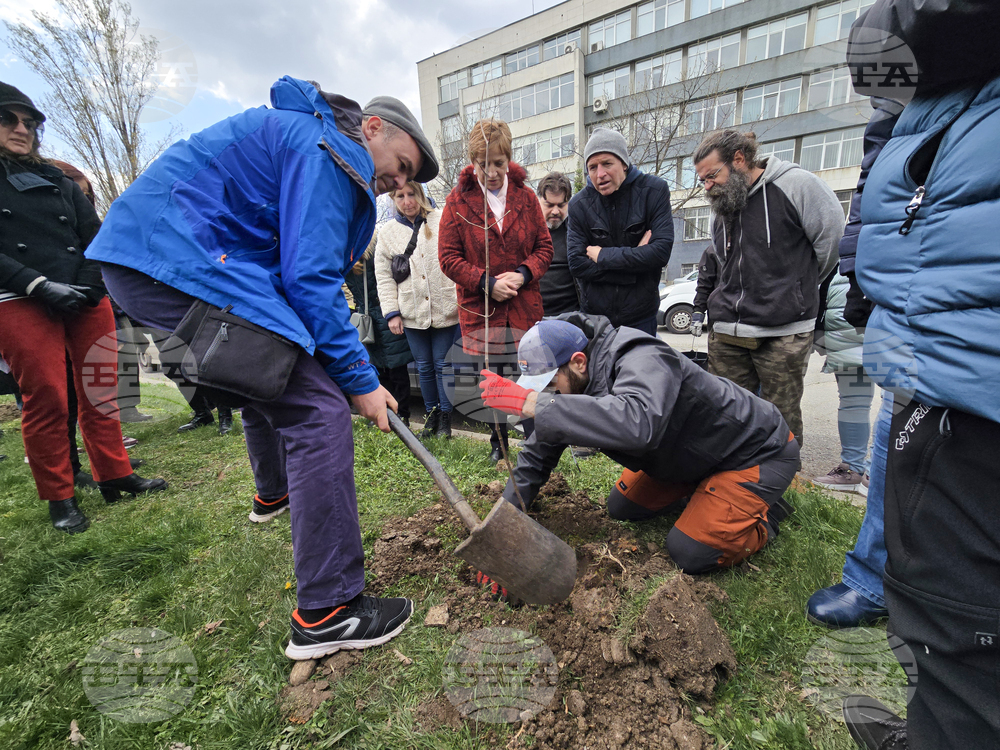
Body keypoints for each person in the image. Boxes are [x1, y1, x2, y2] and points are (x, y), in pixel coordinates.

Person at [85, 77, 438, 660]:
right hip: (172, 258)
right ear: (373, 127)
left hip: (158, 254)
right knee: (319, 411)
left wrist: (341, 366)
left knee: (278, 377)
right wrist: (361, 382)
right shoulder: (329, 153)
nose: (399, 183)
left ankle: (273, 494)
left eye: (409, 180)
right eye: (401, 166)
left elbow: (297, 280)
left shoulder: (317, 142)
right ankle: (328, 610)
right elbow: (310, 280)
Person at [836, 2, 1000, 749]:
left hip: (969, 365)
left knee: (960, 623)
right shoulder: (942, 110)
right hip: (939, 344)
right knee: (943, 609)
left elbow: (908, 22)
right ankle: (929, 723)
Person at [478, 315, 799, 579]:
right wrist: (505, 525)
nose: (550, 395)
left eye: (549, 385)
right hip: (692, 457)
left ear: (578, 362)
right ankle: (709, 494)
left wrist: (536, 404)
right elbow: (536, 456)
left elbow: (639, 425)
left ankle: (766, 516)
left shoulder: (640, 356)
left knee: (690, 552)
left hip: (753, 451)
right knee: (622, 507)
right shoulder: (576, 383)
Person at [0, 83, 167, 533]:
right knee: (48, 397)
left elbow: (94, 236)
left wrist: (92, 286)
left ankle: (114, 474)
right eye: (9, 119)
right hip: (17, 296)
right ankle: (60, 496)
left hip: (83, 293)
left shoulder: (57, 177)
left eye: (29, 122)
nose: (22, 129)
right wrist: (38, 285)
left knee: (101, 386)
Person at [693, 129, 843, 446]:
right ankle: (732, 486)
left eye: (712, 175)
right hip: (729, 330)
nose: (707, 186)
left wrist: (794, 290)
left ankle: (779, 487)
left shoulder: (797, 186)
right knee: (728, 417)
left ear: (739, 159)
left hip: (784, 330)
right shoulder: (721, 206)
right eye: (702, 180)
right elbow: (722, 259)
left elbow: (830, 246)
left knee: (780, 420)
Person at [438, 118, 552, 463]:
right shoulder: (458, 202)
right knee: (493, 375)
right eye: (482, 164)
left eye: (498, 164)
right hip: (481, 310)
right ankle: (498, 443)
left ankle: (538, 446)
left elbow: (545, 249)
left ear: (509, 159)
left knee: (530, 376)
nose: (490, 172)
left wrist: (522, 273)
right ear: (473, 161)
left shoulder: (527, 198)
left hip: (523, 307)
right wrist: (487, 283)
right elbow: (447, 258)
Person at [566, 128, 674, 335]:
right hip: (596, 320)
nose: (600, 174)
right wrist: (636, 263)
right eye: (592, 167)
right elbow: (577, 264)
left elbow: (660, 252)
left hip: (641, 318)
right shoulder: (579, 204)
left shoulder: (654, 191)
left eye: (607, 163)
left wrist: (603, 256)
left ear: (624, 163)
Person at [375, 180, 459, 438]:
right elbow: (383, 275)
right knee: (423, 366)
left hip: (445, 306)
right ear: (393, 199)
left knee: (443, 364)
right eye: (400, 196)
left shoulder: (443, 219)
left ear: (421, 194)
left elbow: (458, 257)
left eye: (411, 194)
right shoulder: (388, 232)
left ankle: (445, 420)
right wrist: (392, 312)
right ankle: (431, 417)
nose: (407, 201)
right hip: (411, 310)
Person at [811, 273, 875, 493]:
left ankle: (854, 469)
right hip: (882, 311)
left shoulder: (846, 241)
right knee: (896, 401)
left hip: (846, 309)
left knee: (854, 402)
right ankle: (874, 472)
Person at [346, 230, 413, 426]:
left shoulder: (375, 250)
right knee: (378, 369)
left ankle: (403, 415)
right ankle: (384, 414)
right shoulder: (346, 258)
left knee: (397, 369)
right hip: (367, 319)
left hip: (386, 313)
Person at [535, 171, 578, 317]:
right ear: (538, 201)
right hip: (533, 317)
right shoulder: (525, 232)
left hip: (571, 317)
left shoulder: (577, 231)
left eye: (561, 205)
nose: (555, 211)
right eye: (549, 205)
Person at [689, 245, 718, 338]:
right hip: (721, 322)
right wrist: (698, 312)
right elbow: (705, 284)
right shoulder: (714, 250)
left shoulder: (761, 245)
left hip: (758, 323)